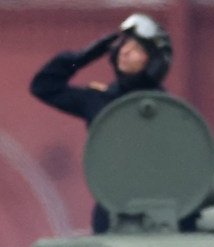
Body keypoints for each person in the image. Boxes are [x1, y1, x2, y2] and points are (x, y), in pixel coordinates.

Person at [30, 13, 173, 233]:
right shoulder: (100, 99)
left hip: (162, 208)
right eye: (124, 45)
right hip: (110, 207)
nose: (124, 52)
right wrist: (82, 58)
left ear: (151, 62)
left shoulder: (166, 109)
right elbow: (44, 86)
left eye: (136, 49)